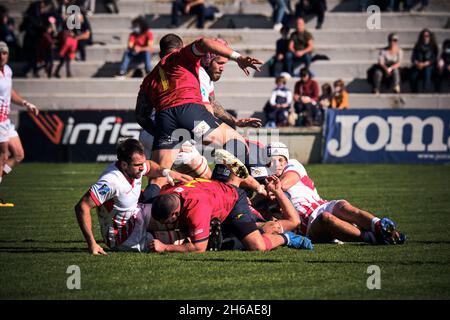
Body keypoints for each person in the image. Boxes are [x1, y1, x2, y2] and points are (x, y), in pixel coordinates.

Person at [136, 34, 266, 202]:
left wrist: (163, 134)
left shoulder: (150, 78)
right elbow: (205, 42)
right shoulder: (180, 57)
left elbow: (140, 115)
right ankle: (227, 196)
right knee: (237, 142)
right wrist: (238, 58)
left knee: (158, 178)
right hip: (189, 110)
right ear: (180, 47)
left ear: (161, 52)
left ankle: (141, 214)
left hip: (164, 120)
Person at [266, 142, 406, 245]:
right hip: (306, 226)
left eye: (280, 160)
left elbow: (284, 184)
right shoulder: (265, 183)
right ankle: (374, 238)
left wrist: (269, 191)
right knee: (326, 218)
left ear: (286, 160)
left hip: (321, 205)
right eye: (271, 161)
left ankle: (381, 227)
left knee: (343, 206)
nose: (276, 164)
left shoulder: (293, 165)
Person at [74, 138, 193, 254]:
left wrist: (167, 172)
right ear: (124, 165)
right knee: (183, 240)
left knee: (175, 213)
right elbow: (82, 206)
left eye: (142, 163)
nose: (142, 168)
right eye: (138, 165)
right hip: (123, 237)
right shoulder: (110, 182)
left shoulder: (136, 167)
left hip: (137, 214)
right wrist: (92, 243)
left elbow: (149, 166)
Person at [149, 174, 312, 253]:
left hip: (231, 205)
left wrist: (164, 248)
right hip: (221, 206)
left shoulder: (197, 207)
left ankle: (287, 239)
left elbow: (294, 221)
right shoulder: (170, 195)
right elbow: (237, 177)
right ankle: (215, 234)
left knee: (258, 245)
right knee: (259, 229)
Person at [0, 42, 39, 205]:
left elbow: (10, 92)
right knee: (3, 156)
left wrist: (25, 103)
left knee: (19, 155)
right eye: (0, 53)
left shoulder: (7, 71)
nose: (2, 56)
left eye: (4, 53)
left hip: (6, 121)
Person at [410, 28, 438, 93]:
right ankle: (414, 91)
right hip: (419, 65)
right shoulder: (417, 46)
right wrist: (417, 63)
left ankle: (426, 90)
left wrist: (424, 64)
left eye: (427, 36)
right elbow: (413, 58)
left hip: (430, 66)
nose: (425, 37)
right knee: (413, 74)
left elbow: (433, 59)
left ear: (430, 36)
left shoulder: (433, 46)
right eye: (424, 36)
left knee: (427, 70)